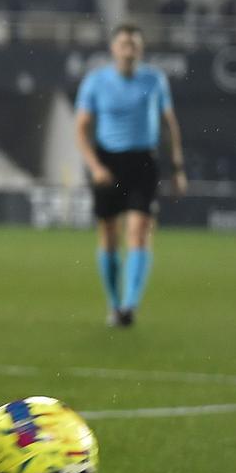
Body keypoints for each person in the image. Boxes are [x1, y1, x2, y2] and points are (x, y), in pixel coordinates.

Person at [73, 24, 186, 327]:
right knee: (109, 235)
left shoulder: (154, 79)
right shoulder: (95, 82)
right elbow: (81, 128)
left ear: (141, 49)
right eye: (124, 44)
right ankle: (113, 304)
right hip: (108, 162)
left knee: (138, 232)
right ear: (113, 48)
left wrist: (178, 167)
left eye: (134, 44)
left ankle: (129, 306)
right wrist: (95, 167)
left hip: (142, 162)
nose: (129, 49)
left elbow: (169, 123)